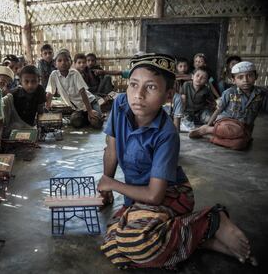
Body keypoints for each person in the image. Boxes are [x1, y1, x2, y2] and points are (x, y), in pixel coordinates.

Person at [98, 53, 257, 269]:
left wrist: (112, 184)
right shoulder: (120, 105)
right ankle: (205, 241)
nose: (138, 95)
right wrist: (106, 185)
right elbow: (112, 149)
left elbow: (155, 195)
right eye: (133, 85)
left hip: (169, 194)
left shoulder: (167, 134)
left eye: (151, 87)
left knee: (139, 243)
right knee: (113, 240)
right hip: (137, 196)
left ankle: (211, 221)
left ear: (169, 95)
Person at [189, 61, 268, 150]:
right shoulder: (229, 93)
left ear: (256, 76)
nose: (245, 80)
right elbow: (218, 109)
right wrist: (208, 125)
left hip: (245, 126)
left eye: (249, 75)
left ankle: (213, 137)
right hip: (227, 122)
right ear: (233, 80)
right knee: (237, 131)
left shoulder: (261, 94)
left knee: (239, 145)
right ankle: (207, 130)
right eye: (240, 77)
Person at [46, 49, 103, 129]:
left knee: (97, 123)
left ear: (71, 62)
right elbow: (50, 93)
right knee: (75, 122)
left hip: (90, 103)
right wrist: (47, 109)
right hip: (78, 108)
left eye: (66, 60)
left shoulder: (74, 73)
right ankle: (86, 118)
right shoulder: (54, 75)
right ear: (55, 64)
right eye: (60, 60)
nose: (63, 62)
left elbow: (83, 92)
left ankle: (90, 117)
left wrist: (90, 111)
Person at [1, 65, 46, 138]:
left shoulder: (40, 90)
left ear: (39, 81)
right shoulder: (13, 95)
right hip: (14, 126)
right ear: (20, 82)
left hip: (30, 126)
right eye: (26, 81)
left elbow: (40, 112)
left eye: (34, 81)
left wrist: (41, 128)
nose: (30, 85)